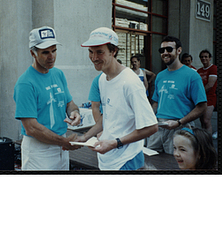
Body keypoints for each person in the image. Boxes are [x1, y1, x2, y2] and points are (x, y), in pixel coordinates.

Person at [76, 27, 158, 170]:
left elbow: (151, 127)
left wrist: (115, 143)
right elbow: (108, 116)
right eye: (91, 52)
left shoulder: (130, 82)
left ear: (113, 51)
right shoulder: (102, 79)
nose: (94, 58)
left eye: (100, 52)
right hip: (107, 158)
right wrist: (85, 137)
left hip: (127, 160)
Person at [13, 26, 81, 171]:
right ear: (33, 53)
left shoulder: (58, 74)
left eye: (54, 50)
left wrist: (74, 113)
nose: (51, 56)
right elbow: (31, 128)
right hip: (39, 149)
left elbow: (69, 103)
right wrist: (64, 141)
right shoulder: (25, 83)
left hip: (61, 146)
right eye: (45, 52)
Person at [147, 36, 207, 154]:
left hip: (180, 128)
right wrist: (148, 116)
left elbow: (202, 107)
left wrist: (180, 122)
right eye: (162, 50)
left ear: (179, 50)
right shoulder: (160, 76)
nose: (165, 53)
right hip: (158, 127)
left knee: (175, 164)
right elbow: (156, 103)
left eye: (169, 49)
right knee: (150, 161)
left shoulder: (192, 76)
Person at [197, 49, 217, 136]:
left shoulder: (213, 68)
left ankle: (209, 141)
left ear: (210, 58)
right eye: (202, 57)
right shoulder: (199, 71)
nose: (204, 58)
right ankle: (204, 139)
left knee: (206, 120)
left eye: (206, 57)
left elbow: (210, 84)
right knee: (202, 121)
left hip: (209, 97)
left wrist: (199, 93)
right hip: (201, 98)